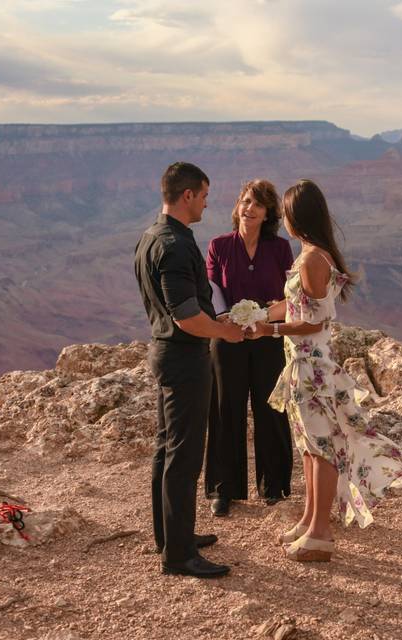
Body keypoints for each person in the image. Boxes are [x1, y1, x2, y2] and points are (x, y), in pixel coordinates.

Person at [247, 179, 402, 562]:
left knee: (323, 449)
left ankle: (321, 534)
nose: (282, 218)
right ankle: (309, 520)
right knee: (310, 448)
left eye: (286, 211)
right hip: (301, 365)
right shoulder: (311, 254)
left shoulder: (314, 258)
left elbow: (313, 322)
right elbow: (295, 306)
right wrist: (260, 313)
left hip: (312, 366)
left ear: (298, 215)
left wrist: (269, 329)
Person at [133, 161, 245, 578]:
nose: (205, 204)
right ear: (187, 196)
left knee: (167, 448)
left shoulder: (151, 236)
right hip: (183, 358)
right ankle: (179, 556)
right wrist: (224, 332)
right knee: (184, 454)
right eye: (203, 196)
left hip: (164, 353)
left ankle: (171, 535)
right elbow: (185, 316)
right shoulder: (176, 245)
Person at [204, 180, 295, 517]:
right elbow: (211, 287)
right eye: (245, 201)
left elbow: (290, 294)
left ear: (268, 212)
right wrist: (226, 319)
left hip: (268, 337)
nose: (249, 209)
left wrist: (264, 319)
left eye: (257, 204)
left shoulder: (280, 248)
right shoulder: (219, 245)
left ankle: (274, 488)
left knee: (271, 409)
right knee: (226, 409)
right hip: (227, 337)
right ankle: (223, 490)